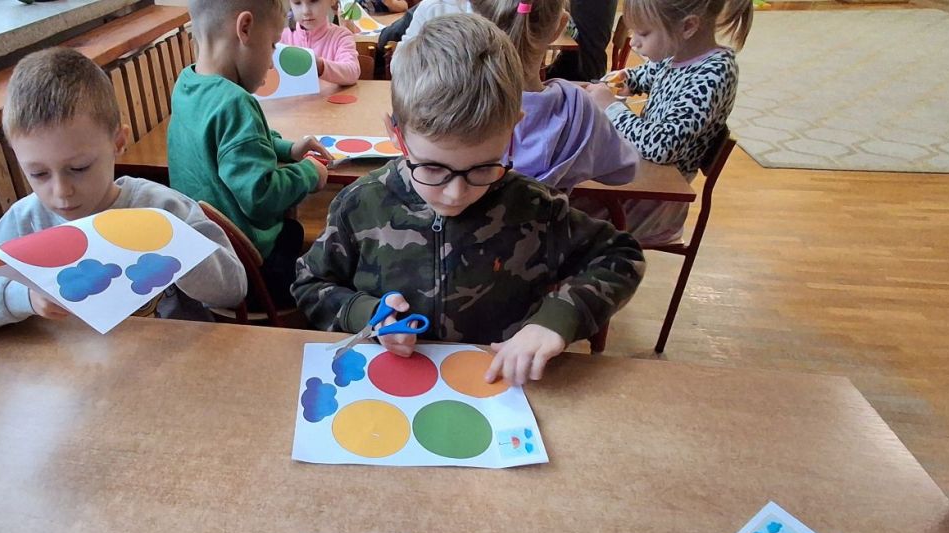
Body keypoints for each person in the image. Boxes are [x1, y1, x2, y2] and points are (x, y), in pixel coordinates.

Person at [293, 14, 645, 385]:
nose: (456, 192)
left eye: (483, 167)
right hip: (391, 393)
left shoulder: (535, 208)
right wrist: (368, 315)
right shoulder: (359, 204)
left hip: (499, 393)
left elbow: (621, 257)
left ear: (513, 130)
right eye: (433, 168)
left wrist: (555, 320)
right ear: (396, 134)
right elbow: (310, 284)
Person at [0, 48, 246, 332]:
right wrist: (23, 297)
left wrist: (183, 253)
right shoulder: (25, 221)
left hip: (174, 357)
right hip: (75, 363)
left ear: (118, 143)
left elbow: (234, 288)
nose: (61, 191)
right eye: (38, 174)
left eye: (79, 168)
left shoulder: (161, 207)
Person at [169, 0, 332, 308]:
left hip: (204, 258)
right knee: (298, 237)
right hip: (248, 272)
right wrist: (309, 173)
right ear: (244, 28)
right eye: (272, 46)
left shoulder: (187, 84)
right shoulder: (236, 103)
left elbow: (235, 144)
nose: (271, 64)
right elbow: (260, 196)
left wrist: (288, 148)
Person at [580, 0, 751, 244]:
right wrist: (622, 79)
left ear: (688, 27)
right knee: (567, 192)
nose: (634, 43)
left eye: (644, 33)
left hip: (657, 202)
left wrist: (611, 106)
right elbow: (643, 75)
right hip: (641, 179)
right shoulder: (676, 54)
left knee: (568, 215)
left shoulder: (713, 75)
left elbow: (660, 147)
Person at [475, 0, 638, 192]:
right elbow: (625, 170)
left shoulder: (458, 101)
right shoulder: (578, 107)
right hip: (550, 211)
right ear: (560, 25)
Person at [285, 0, 360, 86]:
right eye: (297, 3)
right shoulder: (280, 38)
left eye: (314, 1)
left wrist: (320, 66)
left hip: (331, 95)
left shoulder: (341, 36)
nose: (305, 11)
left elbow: (352, 72)